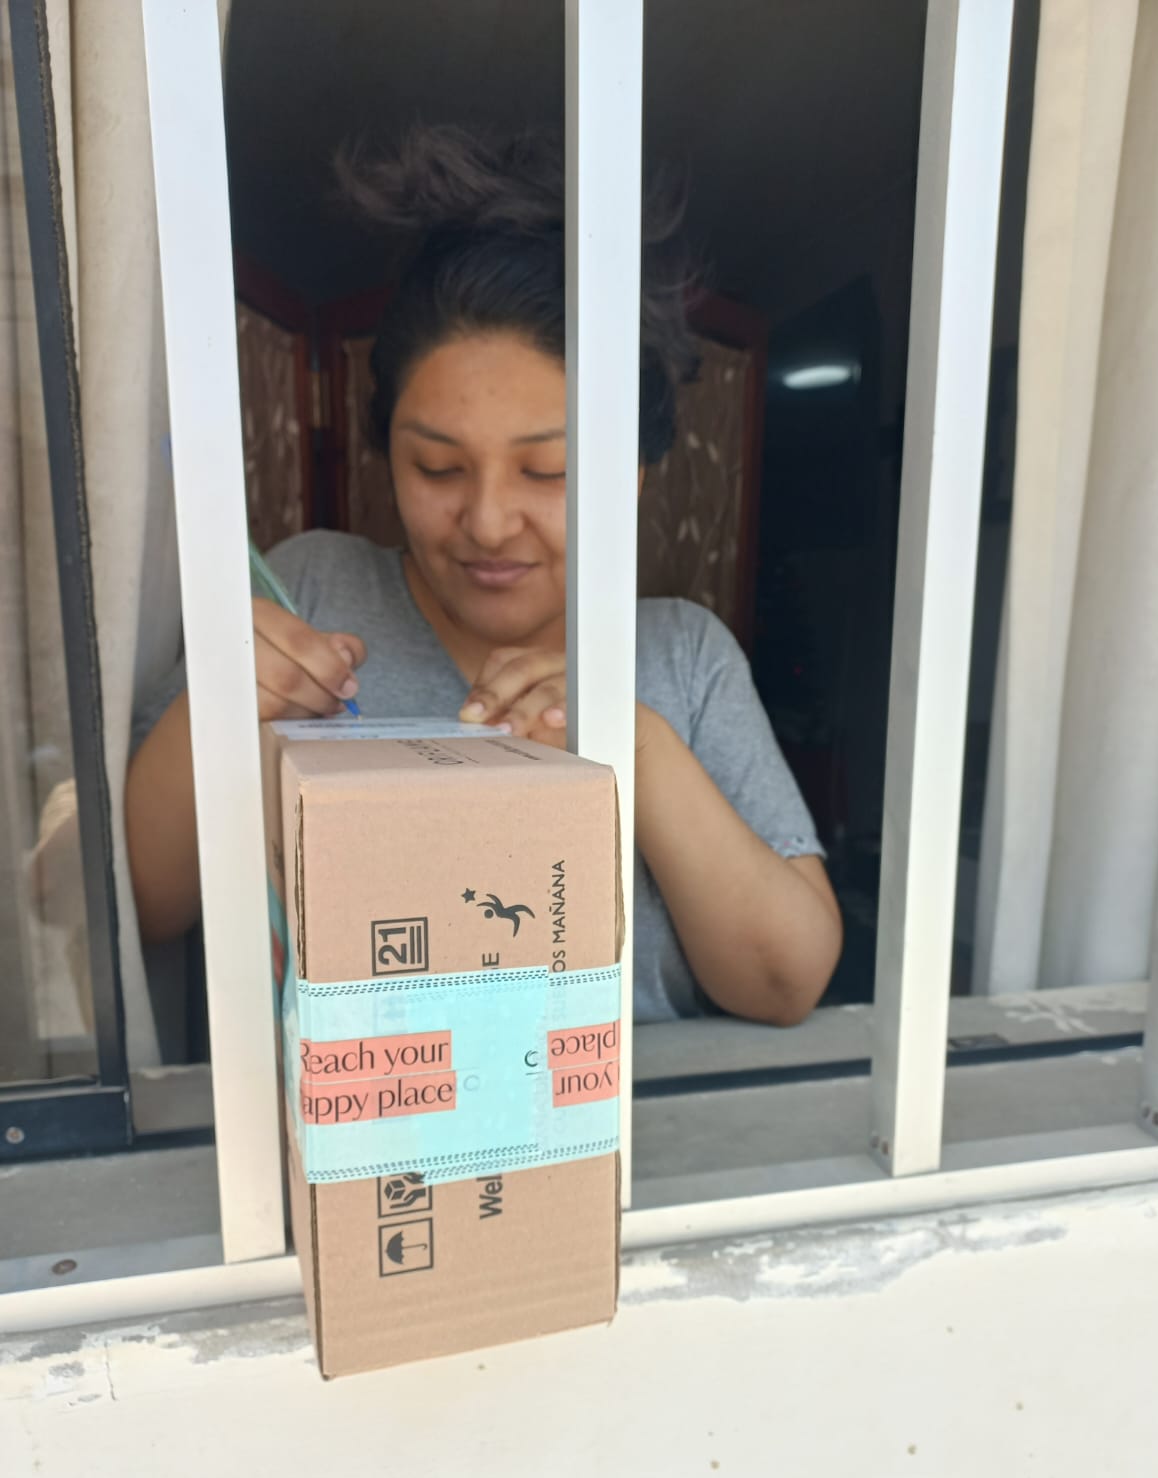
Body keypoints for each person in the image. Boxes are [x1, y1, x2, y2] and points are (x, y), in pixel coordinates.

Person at [127, 127, 841, 1027]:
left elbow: (786, 984)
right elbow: (138, 912)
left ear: (630, 477)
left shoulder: (684, 658)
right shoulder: (306, 596)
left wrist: (636, 747)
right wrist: (215, 712)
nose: (489, 520)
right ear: (388, 453)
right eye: (438, 467)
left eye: (548, 471)